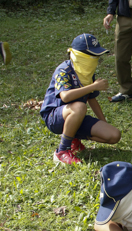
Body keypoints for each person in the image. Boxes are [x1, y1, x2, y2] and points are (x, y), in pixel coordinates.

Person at [40, 34, 121, 165]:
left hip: (77, 116)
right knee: (79, 106)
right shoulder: (64, 70)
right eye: (92, 56)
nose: (95, 60)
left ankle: (72, 138)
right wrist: (93, 86)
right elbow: (65, 96)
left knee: (114, 135)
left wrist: (104, 122)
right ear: (80, 55)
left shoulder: (87, 73)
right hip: (54, 116)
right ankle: (62, 151)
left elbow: (92, 99)